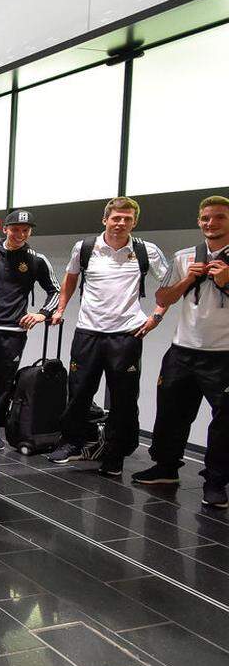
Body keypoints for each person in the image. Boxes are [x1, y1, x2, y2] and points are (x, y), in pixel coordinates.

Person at [47, 197, 168, 475]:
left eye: (127, 219)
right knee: (78, 392)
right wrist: (61, 308)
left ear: (134, 222)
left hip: (126, 334)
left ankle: (115, 455)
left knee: (124, 398)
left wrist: (156, 316)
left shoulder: (146, 251)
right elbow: (70, 278)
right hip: (88, 331)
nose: (121, 223)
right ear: (105, 220)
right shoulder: (85, 247)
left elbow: (169, 284)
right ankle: (73, 442)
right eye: (116, 218)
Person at [132, 196, 229, 506]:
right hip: (182, 350)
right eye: (205, 218)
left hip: (223, 354)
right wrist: (190, 277)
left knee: (224, 423)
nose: (211, 223)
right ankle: (165, 467)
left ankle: (215, 483)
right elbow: (164, 296)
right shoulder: (185, 256)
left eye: (219, 218)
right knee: (171, 414)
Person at [0, 210, 59, 450]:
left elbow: (55, 290)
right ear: (5, 229)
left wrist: (41, 314)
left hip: (13, 333)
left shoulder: (36, 260)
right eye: (15, 229)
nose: (20, 234)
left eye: (25, 230)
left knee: (4, 385)